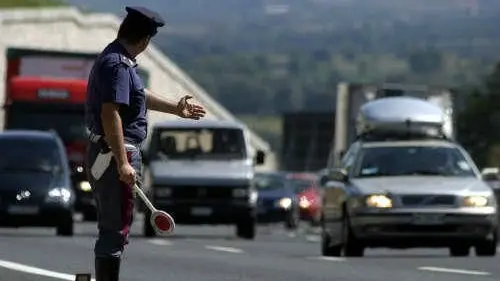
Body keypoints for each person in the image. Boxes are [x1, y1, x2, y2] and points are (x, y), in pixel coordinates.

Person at [84, 6, 206, 281]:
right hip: (116, 152)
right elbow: (110, 112)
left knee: (114, 226)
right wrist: (123, 162)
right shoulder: (118, 64)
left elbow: (138, 93)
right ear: (144, 40)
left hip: (109, 151)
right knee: (115, 229)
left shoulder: (116, 58)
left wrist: (176, 108)